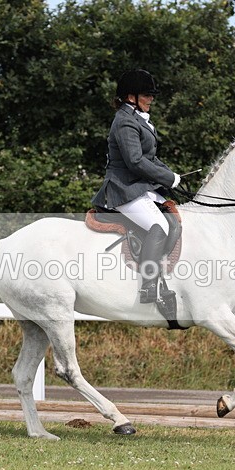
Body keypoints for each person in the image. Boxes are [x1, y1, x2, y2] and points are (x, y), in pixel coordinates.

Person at [91, 69, 182, 304]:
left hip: (139, 186)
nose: (151, 99)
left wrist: (171, 175)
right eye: (147, 95)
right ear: (131, 97)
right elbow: (135, 161)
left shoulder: (136, 119)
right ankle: (148, 287)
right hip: (123, 189)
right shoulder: (124, 122)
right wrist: (167, 178)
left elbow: (150, 158)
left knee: (173, 218)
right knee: (158, 225)